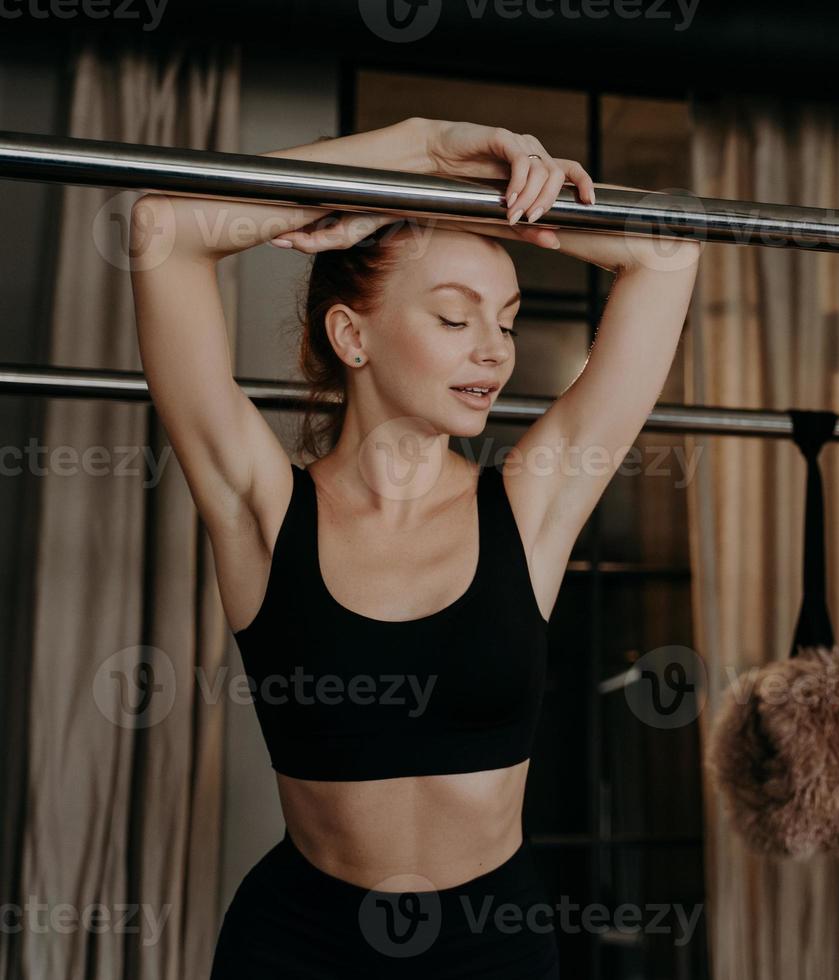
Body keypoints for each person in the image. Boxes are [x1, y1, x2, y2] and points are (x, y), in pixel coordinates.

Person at [127, 116, 701, 977]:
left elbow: (668, 252)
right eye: (453, 317)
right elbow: (162, 230)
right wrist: (424, 151)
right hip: (297, 946)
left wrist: (508, 207)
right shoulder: (262, 509)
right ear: (351, 336)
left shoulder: (531, 504)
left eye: (505, 321)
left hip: (492, 947)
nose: (493, 351)